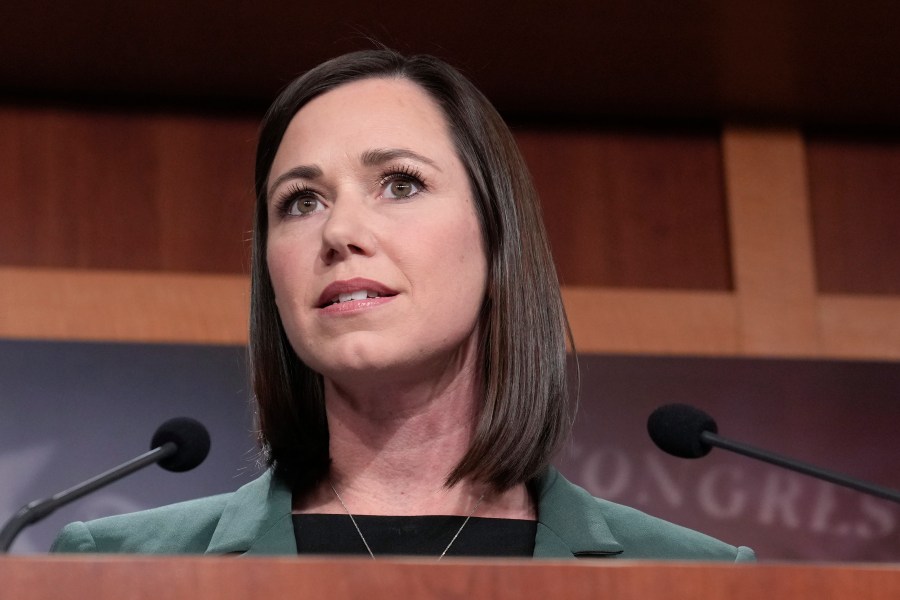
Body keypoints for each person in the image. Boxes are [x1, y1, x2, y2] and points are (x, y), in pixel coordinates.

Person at [52, 49, 754, 561]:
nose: (340, 233)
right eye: (301, 201)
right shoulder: (119, 570)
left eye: (400, 184)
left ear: (496, 231)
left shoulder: (696, 578)